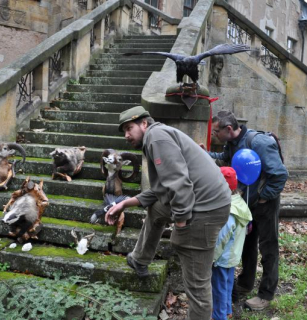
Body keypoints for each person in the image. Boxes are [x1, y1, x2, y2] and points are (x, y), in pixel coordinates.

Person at [105, 106, 231, 320]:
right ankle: (140, 259)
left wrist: (181, 222)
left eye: (129, 128)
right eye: (124, 131)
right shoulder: (157, 136)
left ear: (144, 123)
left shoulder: (156, 137)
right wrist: (125, 204)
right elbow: (161, 190)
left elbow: (178, 183)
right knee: (157, 208)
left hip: (205, 209)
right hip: (203, 201)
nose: (126, 135)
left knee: (197, 285)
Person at [203, 110, 288, 311]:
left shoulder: (259, 143)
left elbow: (280, 175)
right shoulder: (231, 143)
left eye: (216, 131)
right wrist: (203, 154)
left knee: (269, 247)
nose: (214, 135)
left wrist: (263, 197)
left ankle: (266, 294)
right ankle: (245, 283)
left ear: (229, 129)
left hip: (265, 204)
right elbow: (224, 159)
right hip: (246, 203)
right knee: (247, 243)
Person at [212, 167, 252, 320]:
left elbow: (222, 238)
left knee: (219, 289)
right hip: (233, 255)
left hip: (222, 258)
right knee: (227, 285)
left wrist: (213, 257)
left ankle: (219, 316)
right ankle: (227, 310)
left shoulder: (229, 211)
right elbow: (248, 227)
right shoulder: (240, 203)